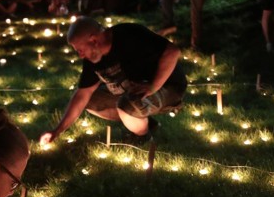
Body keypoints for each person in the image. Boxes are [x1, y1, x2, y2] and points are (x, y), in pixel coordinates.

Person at [39, 16, 187, 146]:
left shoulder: (129, 34)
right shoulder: (94, 56)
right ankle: (145, 122)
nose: (80, 55)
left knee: (127, 105)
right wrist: (57, 131)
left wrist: (153, 86)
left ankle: (142, 137)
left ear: (94, 40)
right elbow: (83, 94)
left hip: (168, 86)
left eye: (80, 49)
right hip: (133, 91)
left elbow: (172, 52)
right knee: (91, 101)